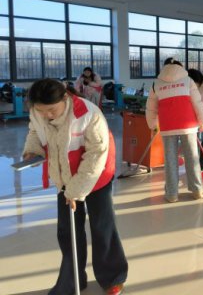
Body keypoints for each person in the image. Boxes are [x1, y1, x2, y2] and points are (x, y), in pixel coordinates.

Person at [22, 78, 127, 295]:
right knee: (67, 231)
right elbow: (34, 131)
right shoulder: (38, 112)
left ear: (65, 98)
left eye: (51, 110)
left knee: (102, 225)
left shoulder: (88, 114)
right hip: (64, 174)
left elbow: (95, 155)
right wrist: (33, 150)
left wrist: (75, 191)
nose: (47, 115)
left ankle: (112, 277)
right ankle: (73, 280)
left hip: (96, 174)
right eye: (41, 111)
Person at [145, 57, 203, 202]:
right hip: (188, 125)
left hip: (167, 126)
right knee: (192, 158)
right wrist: (202, 121)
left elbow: (151, 108)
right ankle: (197, 190)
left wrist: (153, 125)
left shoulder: (156, 84)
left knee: (170, 160)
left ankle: (172, 194)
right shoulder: (188, 80)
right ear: (180, 67)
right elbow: (197, 102)